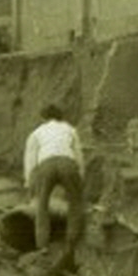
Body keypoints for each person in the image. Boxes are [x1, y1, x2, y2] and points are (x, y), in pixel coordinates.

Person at [23, 103, 85, 252]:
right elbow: (79, 155)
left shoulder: (36, 132)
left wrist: (28, 180)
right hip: (67, 164)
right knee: (75, 204)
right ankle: (71, 243)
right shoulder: (70, 130)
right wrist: (80, 176)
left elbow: (30, 159)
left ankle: (42, 246)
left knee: (41, 206)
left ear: (43, 118)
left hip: (46, 165)